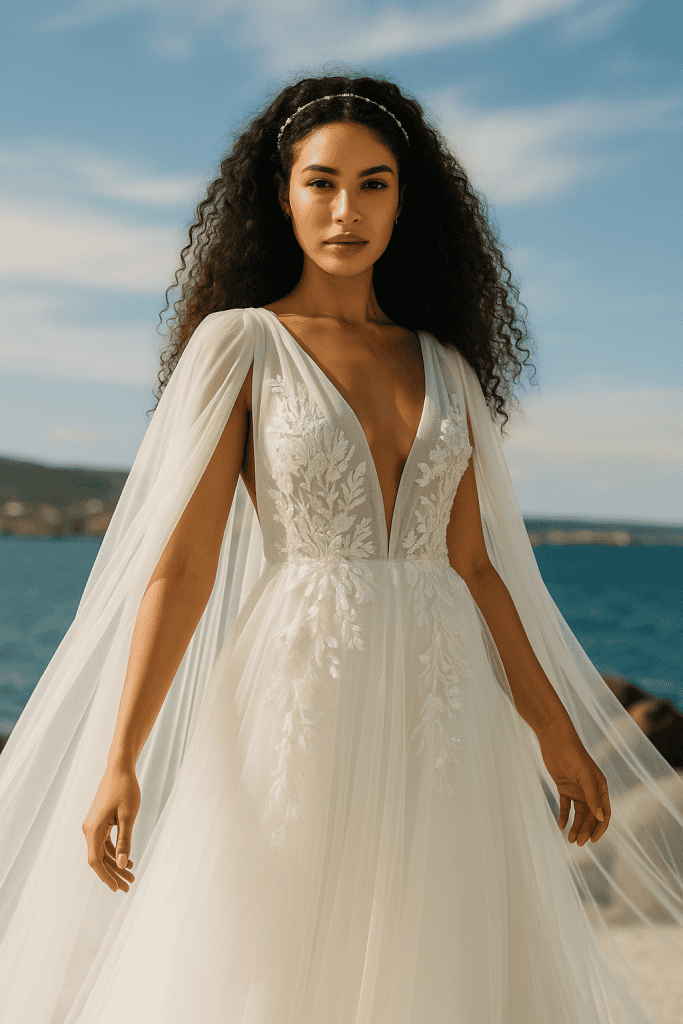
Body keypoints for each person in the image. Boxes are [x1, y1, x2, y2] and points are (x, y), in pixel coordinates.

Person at [1, 74, 682, 1024]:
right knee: (279, 949)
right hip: (299, 688)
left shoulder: (445, 363)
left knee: (441, 947)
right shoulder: (240, 345)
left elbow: (474, 568)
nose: (345, 210)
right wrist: (121, 757)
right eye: (320, 182)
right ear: (281, 196)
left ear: (404, 201)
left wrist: (555, 731)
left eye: (373, 184)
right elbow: (183, 567)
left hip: (443, 698)